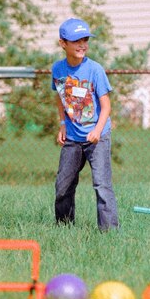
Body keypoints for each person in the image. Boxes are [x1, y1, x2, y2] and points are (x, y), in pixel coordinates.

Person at [51, 18, 118, 231]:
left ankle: (109, 232)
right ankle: (64, 228)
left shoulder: (95, 70)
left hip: (97, 137)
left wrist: (97, 131)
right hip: (72, 137)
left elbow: (106, 106)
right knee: (63, 184)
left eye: (85, 40)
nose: (82, 45)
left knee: (102, 185)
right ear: (63, 43)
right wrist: (62, 123)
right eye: (76, 41)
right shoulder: (58, 69)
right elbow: (59, 97)